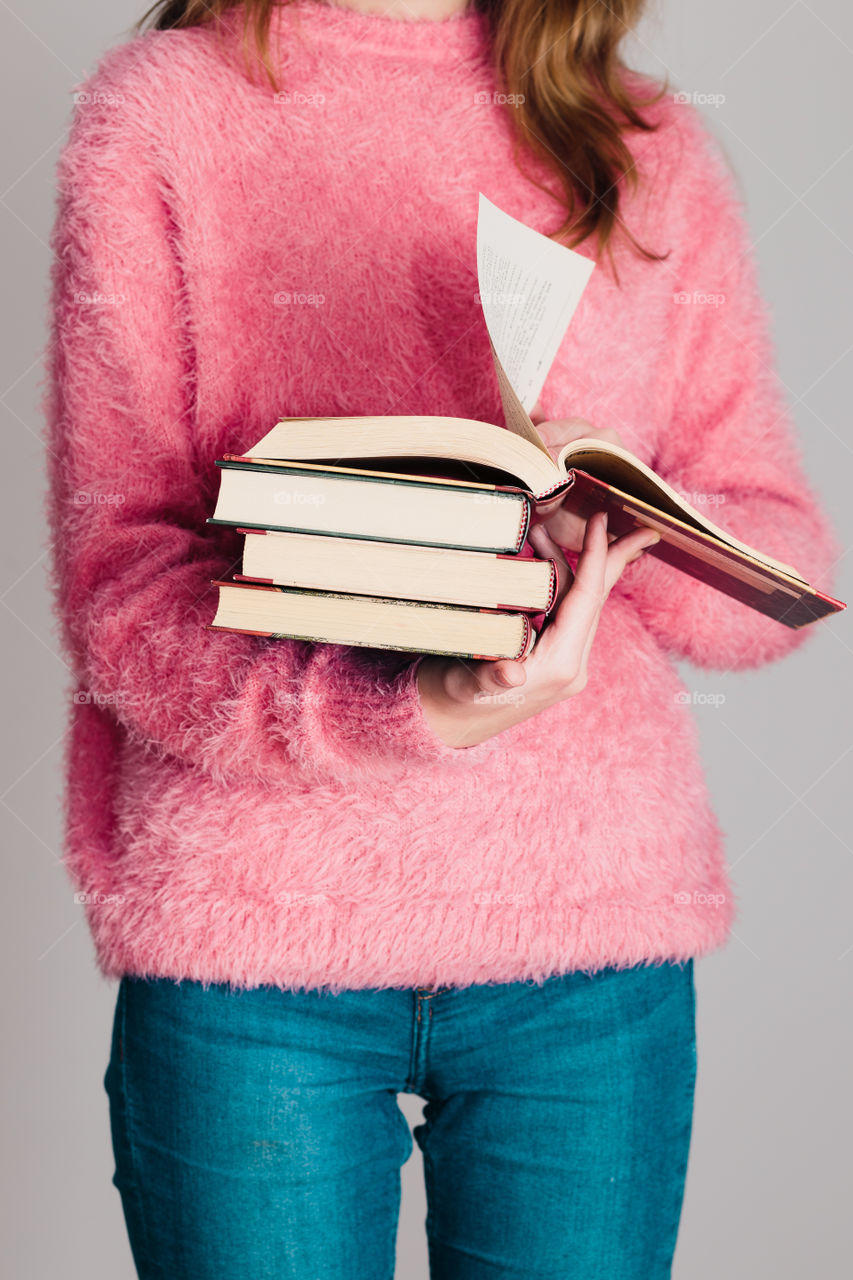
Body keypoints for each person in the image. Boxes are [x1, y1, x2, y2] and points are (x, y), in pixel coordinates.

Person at [45, 0, 838, 1276]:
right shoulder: (160, 110)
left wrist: (617, 526)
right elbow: (122, 584)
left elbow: (771, 552)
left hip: (587, 960)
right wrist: (403, 708)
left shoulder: (646, 140)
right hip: (259, 963)